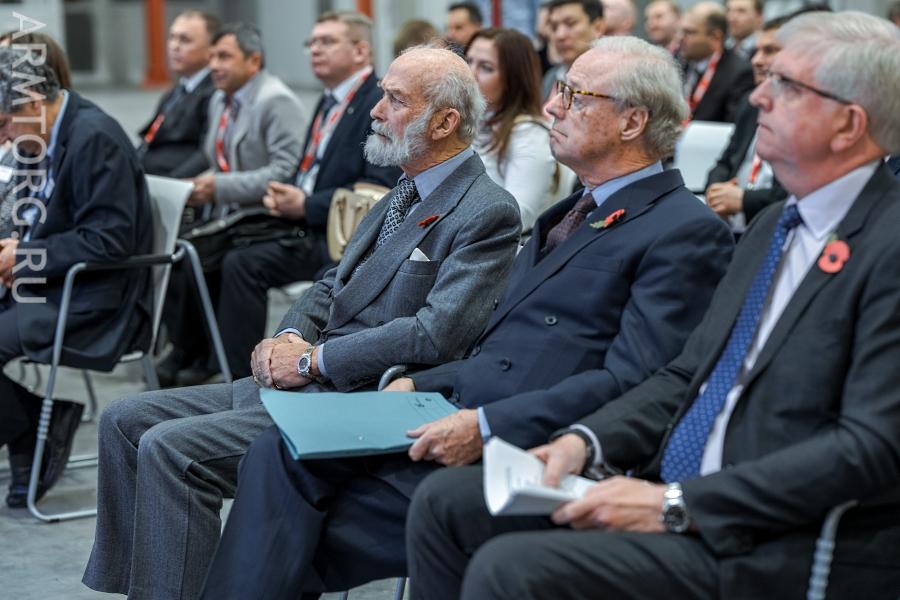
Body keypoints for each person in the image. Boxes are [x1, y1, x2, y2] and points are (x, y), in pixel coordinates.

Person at [199, 36, 732, 599]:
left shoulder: (681, 230)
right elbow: (497, 345)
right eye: (560, 90)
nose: (552, 106)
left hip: (525, 446)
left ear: (632, 122)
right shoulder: (568, 214)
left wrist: (486, 424)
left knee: (285, 522)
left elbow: (634, 383)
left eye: (575, 96)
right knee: (279, 453)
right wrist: (420, 383)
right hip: (450, 410)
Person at [406, 12, 900, 600]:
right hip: (682, 486)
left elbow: (872, 448)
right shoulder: (775, 226)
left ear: (849, 124)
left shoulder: (886, 242)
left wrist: (678, 503)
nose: (758, 96)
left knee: (510, 568)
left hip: (778, 537)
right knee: (447, 505)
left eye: (787, 86)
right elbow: (687, 374)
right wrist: (586, 441)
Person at [82, 45, 521, 600]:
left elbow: (435, 334)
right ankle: (152, 589)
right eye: (381, 95)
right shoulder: (404, 189)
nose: (375, 111)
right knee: (122, 420)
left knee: (171, 448)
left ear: (444, 122)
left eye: (395, 100)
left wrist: (313, 360)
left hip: (364, 397)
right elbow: (331, 283)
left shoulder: (486, 210)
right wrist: (288, 335)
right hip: (310, 382)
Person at [0, 46, 152, 508]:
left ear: (31, 103)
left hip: (93, 296)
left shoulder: (94, 137)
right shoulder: (42, 134)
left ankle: (31, 428)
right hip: (52, 281)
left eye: (4, 124)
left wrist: (24, 257)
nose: (4, 139)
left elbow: (109, 240)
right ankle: (33, 423)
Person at [215, 11, 401, 379]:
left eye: (327, 42)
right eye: (312, 42)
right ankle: (213, 363)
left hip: (339, 235)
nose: (315, 49)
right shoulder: (329, 99)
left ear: (360, 51)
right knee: (220, 247)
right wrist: (288, 193)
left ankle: (250, 379)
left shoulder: (376, 103)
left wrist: (305, 204)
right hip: (306, 222)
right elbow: (312, 166)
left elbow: (378, 190)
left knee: (242, 264)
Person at [157, 22, 306, 386]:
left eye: (224, 57)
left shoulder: (275, 100)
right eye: (211, 57)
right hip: (229, 212)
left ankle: (224, 364)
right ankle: (193, 351)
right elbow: (218, 159)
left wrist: (219, 188)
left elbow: (285, 172)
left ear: (253, 61)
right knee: (180, 250)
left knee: (215, 258)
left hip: (265, 214)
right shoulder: (219, 100)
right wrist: (196, 184)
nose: (214, 66)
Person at [467, 27, 565, 232]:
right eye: (468, 61)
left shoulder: (530, 135)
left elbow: (514, 219)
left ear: (513, 79)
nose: (470, 75)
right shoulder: (469, 123)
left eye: (486, 67)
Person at [705, 13, 793, 230]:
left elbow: (797, 193)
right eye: (756, 51)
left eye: (769, 51)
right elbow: (725, 161)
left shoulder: (806, 115)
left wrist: (744, 200)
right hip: (734, 225)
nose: (756, 61)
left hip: (775, 226)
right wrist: (716, 191)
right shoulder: (750, 102)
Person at [137, 10, 218, 178]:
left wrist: (171, 185)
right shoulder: (174, 92)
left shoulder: (215, 93)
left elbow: (207, 154)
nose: (174, 46)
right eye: (172, 38)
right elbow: (150, 139)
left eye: (185, 40)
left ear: (211, 49)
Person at [681, 2, 754, 123]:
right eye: (681, 31)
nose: (680, 38)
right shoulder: (680, 64)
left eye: (690, 32)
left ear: (716, 37)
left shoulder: (739, 74)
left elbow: (732, 126)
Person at [541, 0, 604, 101]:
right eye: (554, 27)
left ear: (598, 27)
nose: (560, 35)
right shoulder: (550, 78)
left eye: (570, 24)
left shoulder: (612, 79)